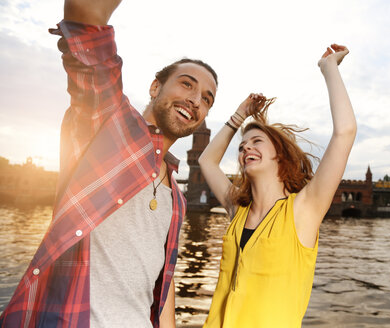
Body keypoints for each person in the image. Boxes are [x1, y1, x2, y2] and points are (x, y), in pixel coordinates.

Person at [0, 0, 217, 327]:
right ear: (155, 87)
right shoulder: (109, 124)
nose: (195, 99)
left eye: (207, 98)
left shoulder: (178, 199)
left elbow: (164, 286)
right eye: (187, 83)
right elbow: (88, 30)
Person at [198, 44, 356, 327]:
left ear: (279, 154)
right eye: (243, 147)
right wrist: (239, 116)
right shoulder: (238, 210)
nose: (246, 149)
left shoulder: (303, 210)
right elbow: (207, 161)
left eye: (257, 142)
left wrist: (328, 67)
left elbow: (345, 132)